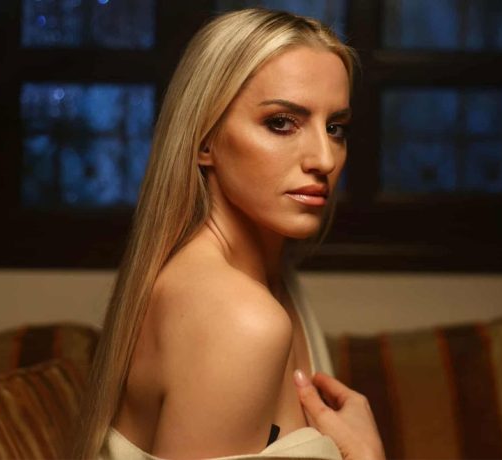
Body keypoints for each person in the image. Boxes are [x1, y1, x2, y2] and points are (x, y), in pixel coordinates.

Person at [71, 8, 384, 459]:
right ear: (204, 140)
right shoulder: (239, 317)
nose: (324, 158)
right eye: (281, 122)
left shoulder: (274, 283)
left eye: (335, 128)